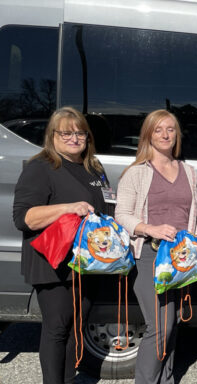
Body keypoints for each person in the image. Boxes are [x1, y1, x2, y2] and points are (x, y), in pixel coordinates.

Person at [12, 107, 110, 384]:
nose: (74, 138)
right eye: (66, 133)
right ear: (52, 135)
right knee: (57, 328)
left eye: (80, 132)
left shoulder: (94, 167)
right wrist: (69, 208)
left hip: (86, 262)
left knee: (76, 328)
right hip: (53, 262)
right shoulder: (41, 167)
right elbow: (24, 218)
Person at [115, 110, 197, 384]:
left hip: (181, 259)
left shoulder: (188, 171)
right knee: (160, 327)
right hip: (151, 255)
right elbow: (122, 215)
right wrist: (151, 229)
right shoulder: (136, 173)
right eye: (158, 130)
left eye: (171, 130)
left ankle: (165, 380)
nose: (165, 135)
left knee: (172, 325)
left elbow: (196, 214)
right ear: (148, 135)